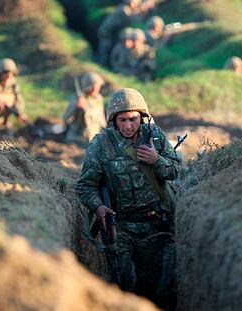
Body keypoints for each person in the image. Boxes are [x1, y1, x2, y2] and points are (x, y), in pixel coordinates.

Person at [76, 88, 180, 309]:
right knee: (123, 286)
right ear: (113, 119)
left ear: (142, 117)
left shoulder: (155, 137)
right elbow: (85, 186)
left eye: (133, 119)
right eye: (122, 119)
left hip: (158, 224)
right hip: (121, 227)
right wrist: (99, 207)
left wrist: (157, 160)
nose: (128, 125)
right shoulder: (101, 145)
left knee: (165, 287)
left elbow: (176, 172)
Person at [96, 0, 154, 67]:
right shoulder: (124, 10)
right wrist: (143, 11)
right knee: (105, 50)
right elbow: (132, 19)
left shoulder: (129, 9)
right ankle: (101, 65)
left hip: (112, 32)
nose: (133, 3)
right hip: (107, 32)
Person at [63, 72, 106, 144]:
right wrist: (76, 108)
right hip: (77, 139)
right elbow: (66, 118)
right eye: (96, 86)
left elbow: (102, 120)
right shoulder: (76, 98)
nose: (98, 88)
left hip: (94, 139)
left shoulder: (98, 99)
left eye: (99, 86)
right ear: (89, 86)